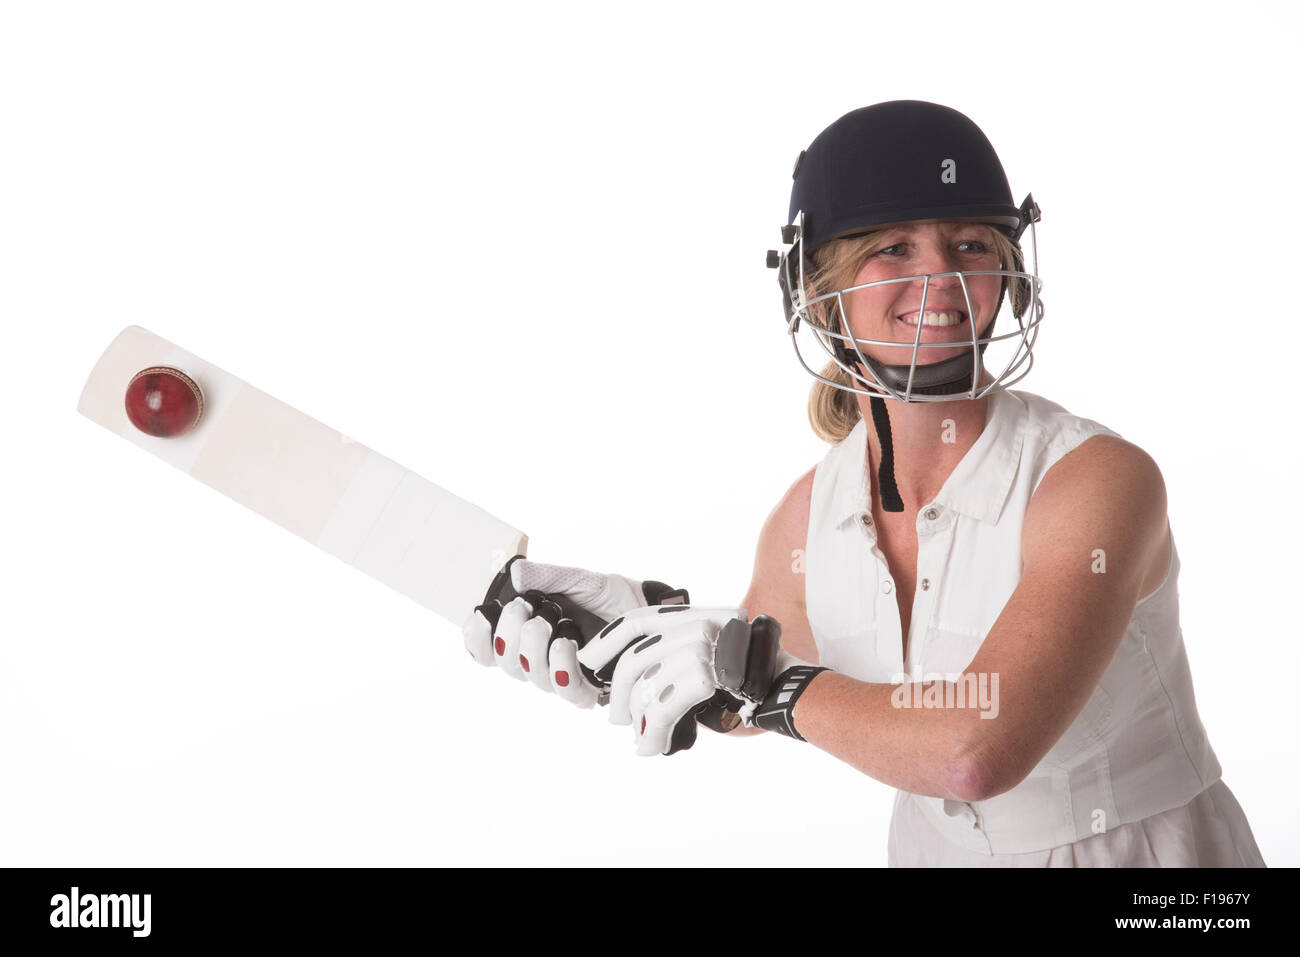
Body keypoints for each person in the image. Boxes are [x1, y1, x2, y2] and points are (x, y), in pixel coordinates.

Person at [463, 100, 1266, 867]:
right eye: (894, 248)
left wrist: (754, 673)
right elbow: (749, 688)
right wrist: (639, 630)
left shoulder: (1097, 481)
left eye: (970, 244)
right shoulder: (810, 514)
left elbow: (971, 751)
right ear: (818, 289)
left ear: (1008, 268)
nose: (942, 277)